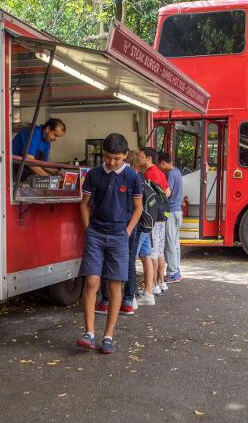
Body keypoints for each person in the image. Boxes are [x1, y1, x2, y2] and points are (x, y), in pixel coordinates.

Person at [77, 133, 143, 354]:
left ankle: (108, 336)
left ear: (125, 155)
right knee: (91, 281)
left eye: (116, 158)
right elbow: (84, 204)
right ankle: (89, 333)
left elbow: (138, 208)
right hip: (96, 233)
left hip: (119, 236)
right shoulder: (94, 174)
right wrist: (88, 230)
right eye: (107, 157)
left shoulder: (132, 177)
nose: (111, 162)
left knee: (115, 285)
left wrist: (127, 232)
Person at [138, 147, 170, 296]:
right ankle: (161, 282)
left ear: (149, 158)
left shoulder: (149, 174)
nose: (139, 159)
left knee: (153, 253)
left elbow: (149, 197)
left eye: (141, 156)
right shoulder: (160, 172)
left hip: (154, 218)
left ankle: (154, 285)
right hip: (162, 215)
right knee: (160, 250)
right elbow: (168, 191)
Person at [158, 151, 183, 283]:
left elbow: (168, 192)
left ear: (163, 163)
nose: (159, 168)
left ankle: (172, 273)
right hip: (178, 211)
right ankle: (176, 270)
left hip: (171, 211)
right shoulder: (177, 171)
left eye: (159, 165)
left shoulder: (171, 174)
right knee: (175, 242)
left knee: (169, 243)